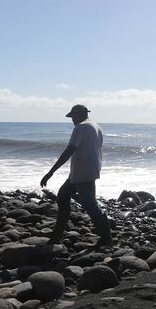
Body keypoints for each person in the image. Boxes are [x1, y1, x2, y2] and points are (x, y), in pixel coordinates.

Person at [41, 104, 112, 247]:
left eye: (73, 116)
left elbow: (70, 150)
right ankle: (57, 234)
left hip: (83, 172)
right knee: (63, 195)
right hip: (87, 170)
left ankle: (106, 237)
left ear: (78, 114)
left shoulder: (80, 127)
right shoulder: (96, 126)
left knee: (90, 204)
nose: (72, 120)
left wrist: (51, 172)